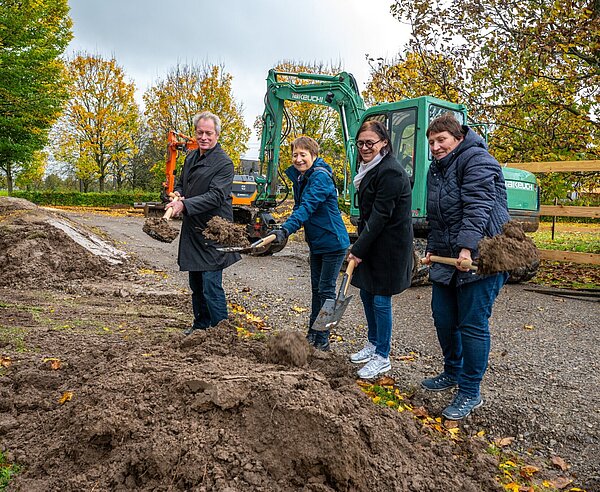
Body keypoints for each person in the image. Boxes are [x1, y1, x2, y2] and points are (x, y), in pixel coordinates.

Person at [421, 113, 510, 420]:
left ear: (457, 138)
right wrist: (432, 248)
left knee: (471, 324)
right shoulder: (436, 169)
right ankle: (453, 371)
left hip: (481, 255)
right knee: (444, 318)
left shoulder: (478, 160)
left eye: (441, 140)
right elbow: (437, 214)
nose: (435, 146)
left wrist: (466, 248)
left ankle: (471, 391)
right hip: (449, 256)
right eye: (431, 142)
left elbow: (478, 207)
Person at [347, 120, 413, 379]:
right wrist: (362, 244)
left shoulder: (391, 172)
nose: (364, 147)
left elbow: (380, 216)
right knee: (366, 292)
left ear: (384, 143)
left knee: (381, 299)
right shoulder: (368, 168)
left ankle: (382, 356)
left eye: (370, 143)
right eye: (361, 143)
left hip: (389, 246)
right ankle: (373, 343)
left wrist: (358, 248)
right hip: (373, 240)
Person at [270, 136, 350, 351]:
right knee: (316, 289)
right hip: (317, 242)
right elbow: (298, 209)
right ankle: (313, 333)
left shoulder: (320, 177)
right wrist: (283, 226)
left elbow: (307, 207)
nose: (298, 159)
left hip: (333, 242)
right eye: (295, 155)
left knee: (325, 289)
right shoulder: (303, 177)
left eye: (303, 155)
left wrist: (287, 230)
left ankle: (323, 338)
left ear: (314, 156)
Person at [166, 111, 241, 335]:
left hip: (213, 231)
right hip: (193, 229)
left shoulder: (224, 163)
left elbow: (216, 196)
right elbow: (182, 182)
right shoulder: (191, 157)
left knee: (211, 284)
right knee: (196, 284)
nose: (204, 137)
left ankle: (221, 332)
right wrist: (178, 193)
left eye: (209, 133)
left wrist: (184, 206)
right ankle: (200, 326)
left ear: (217, 134)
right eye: (200, 132)